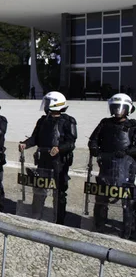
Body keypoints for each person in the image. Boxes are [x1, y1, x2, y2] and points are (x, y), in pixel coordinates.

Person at [19, 91, 77, 224]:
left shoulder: (68, 121)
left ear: (55, 104)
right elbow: (35, 138)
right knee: (39, 188)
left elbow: (71, 142)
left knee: (59, 191)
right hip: (43, 160)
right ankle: (36, 215)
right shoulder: (42, 120)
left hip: (59, 162)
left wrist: (59, 148)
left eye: (47, 102)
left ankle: (59, 219)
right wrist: (25, 144)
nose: (45, 105)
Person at [87, 93, 136, 237]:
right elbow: (93, 139)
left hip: (126, 169)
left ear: (128, 109)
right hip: (106, 167)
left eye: (120, 108)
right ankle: (99, 225)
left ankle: (129, 231)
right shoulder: (105, 123)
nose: (117, 110)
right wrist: (94, 147)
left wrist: (126, 152)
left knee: (128, 201)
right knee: (102, 197)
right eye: (114, 107)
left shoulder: (133, 126)